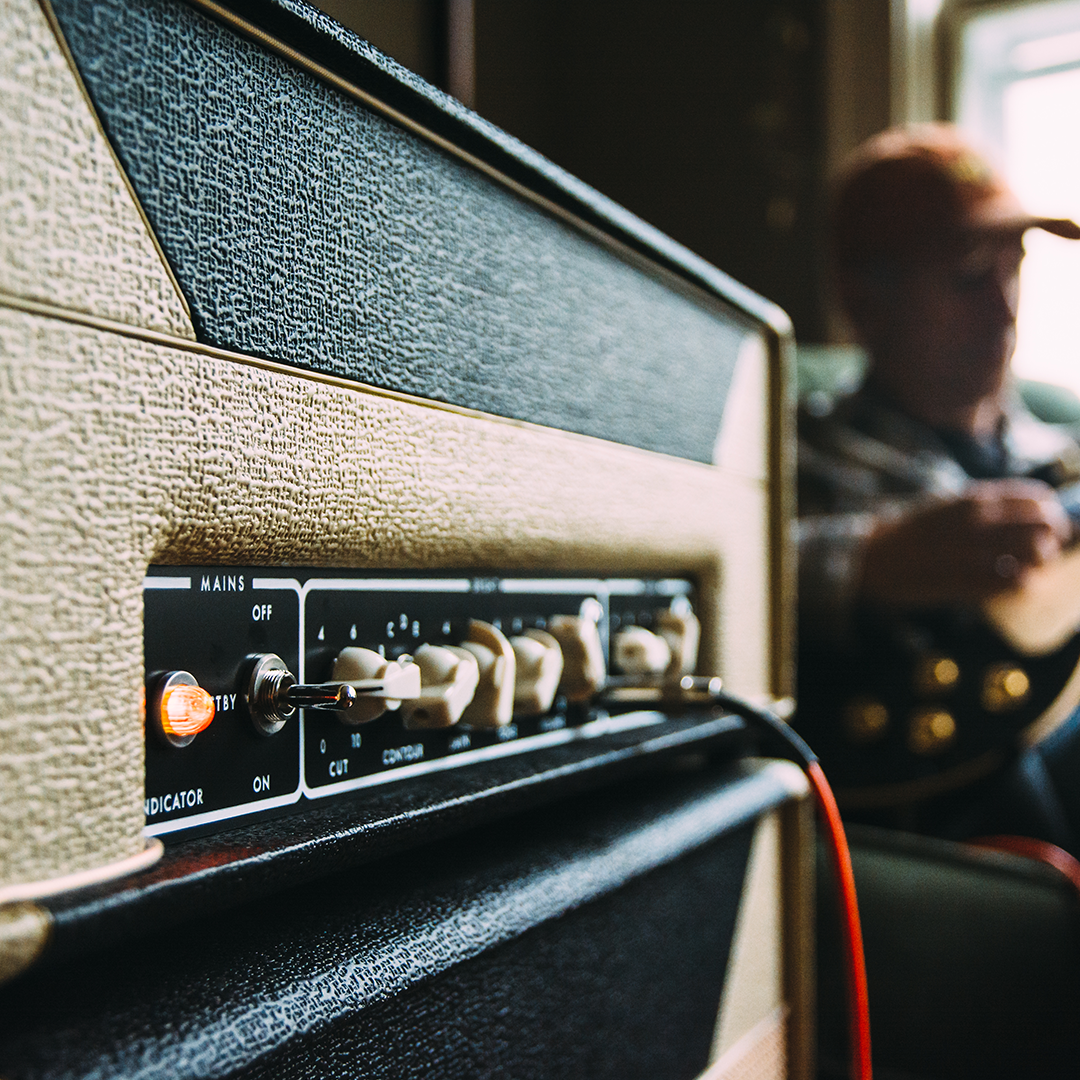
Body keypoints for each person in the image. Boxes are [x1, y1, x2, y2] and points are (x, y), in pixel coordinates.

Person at [794, 124, 1080, 850]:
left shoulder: (1064, 455)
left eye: (1011, 267)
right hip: (929, 809)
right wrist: (870, 564)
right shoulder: (794, 453)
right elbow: (714, 575)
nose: (1005, 307)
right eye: (967, 274)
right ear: (865, 299)